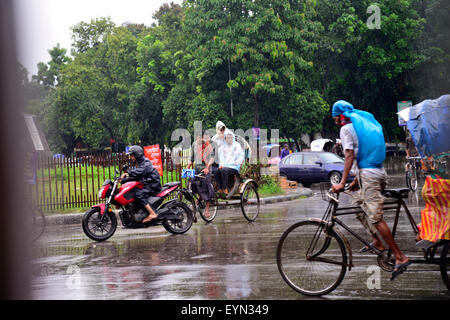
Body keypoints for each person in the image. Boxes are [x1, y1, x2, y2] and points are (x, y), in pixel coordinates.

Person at [330, 100, 411, 281]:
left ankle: (400, 256)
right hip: (375, 172)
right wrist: (355, 181)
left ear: (339, 116)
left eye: (335, 117)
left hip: (369, 175)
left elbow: (350, 155)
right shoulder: (361, 125)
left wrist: (342, 182)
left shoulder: (345, 129)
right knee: (357, 202)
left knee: (375, 216)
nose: (335, 120)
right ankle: (376, 241)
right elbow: (364, 153)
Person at [120, 145, 162, 224]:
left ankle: (153, 213)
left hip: (153, 184)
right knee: (133, 192)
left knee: (138, 194)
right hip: (148, 183)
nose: (131, 157)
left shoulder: (145, 162)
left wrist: (128, 173)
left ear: (137, 154)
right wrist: (124, 180)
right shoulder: (141, 163)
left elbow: (140, 172)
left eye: (132, 155)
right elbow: (138, 176)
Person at [187, 131, 216, 218]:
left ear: (203, 137)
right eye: (197, 137)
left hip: (205, 169)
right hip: (196, 169)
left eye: (200, 137)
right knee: (191, 184)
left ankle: (207, 209)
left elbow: (212, 157)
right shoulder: (194, 144)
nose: (199, 139)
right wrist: (188, 166)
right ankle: (195, 203)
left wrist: (207, 167)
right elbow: (191, 158)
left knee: (206, 186)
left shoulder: (208, 145)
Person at [215, 129, 244, 198]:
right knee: (216, 171)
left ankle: (225, 189)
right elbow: (221, 157)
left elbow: (241, 156)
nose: (229, 139)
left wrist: (235, 163)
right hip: (225, 166)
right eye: (228, 138)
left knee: (224, 170)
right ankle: (220, 188)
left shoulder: (237, 145)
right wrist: (221, 165)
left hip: (234, 167)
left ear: (233, 138)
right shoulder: (223, 147)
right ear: (225, 139)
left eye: (231, 137)